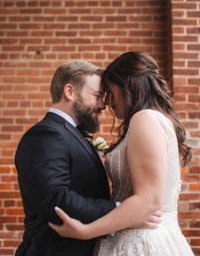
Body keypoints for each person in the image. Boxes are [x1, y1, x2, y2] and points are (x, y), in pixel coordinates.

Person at [49, 52, 195, 256]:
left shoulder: (144, 118)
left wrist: (85, 231)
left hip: (143, 243)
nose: (107, 101)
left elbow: (148, 201)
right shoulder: (156, 119)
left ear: (127, 84)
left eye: (109, 90)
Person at [15, 60, 160, 256]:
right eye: (97, 96)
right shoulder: (45, 135)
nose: (103, 104)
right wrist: (124, 211)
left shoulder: (70, 133)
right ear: (70, 92)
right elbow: (55, 200)